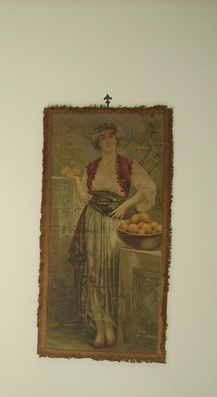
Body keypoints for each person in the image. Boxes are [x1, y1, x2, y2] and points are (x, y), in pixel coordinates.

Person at [65, 123, 156, 349]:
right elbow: (84, 199)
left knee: (111, 271)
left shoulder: (128, 164)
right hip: (93, 221)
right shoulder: (91, 167)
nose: (107, 141)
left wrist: (126, 205)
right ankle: (100, 328)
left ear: (117, 139)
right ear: (98, 143)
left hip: (116, 222)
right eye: (102, 138)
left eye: (111, 136)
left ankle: (112, 327)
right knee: (94, 272)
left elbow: (147, 189)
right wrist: (75, 181)